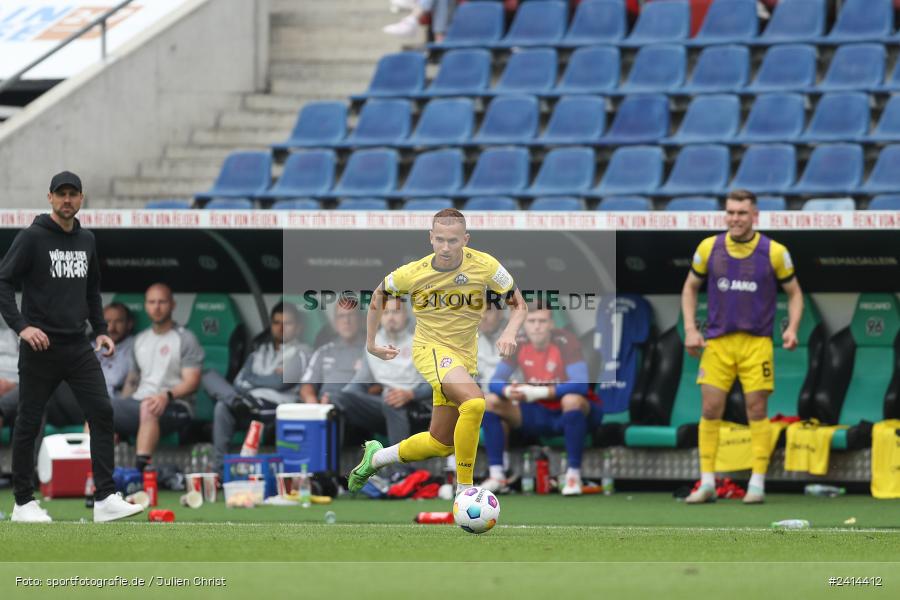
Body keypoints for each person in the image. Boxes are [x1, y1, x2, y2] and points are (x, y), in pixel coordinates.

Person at [347, 208, 527, 497]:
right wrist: (370, 343)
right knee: (476, 403)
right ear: (430, 238)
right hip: (430, 350)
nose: (446, 247)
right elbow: (379, 294)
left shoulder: (486, 265)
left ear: (465, 239)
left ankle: (376, 458)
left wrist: (509, 331)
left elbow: (519, 305)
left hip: (463, 358)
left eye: (453, 241)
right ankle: (465, 492)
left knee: (440, 442)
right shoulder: (413, 273)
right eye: (440, 239)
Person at [0, 171, 143, 522]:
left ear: (81, 198)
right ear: (49, 198)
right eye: (61, 194)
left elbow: (92, 289)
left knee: (102, 412)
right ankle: (23, 503)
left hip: (78, 346)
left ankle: (106, 498)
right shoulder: (32, 237)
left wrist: (101, 330)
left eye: (73, 194)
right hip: (40, 347)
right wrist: (22, 327)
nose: (67, 200)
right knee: (28, 421)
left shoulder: (88, 240)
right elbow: (3, 280)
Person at [681, 189, 803, 505]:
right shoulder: (709, 247)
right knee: (709, 409)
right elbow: (690, 288)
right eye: (731, 212)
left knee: (757, 410)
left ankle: (757, 483)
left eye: (742, 213)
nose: (735, 218)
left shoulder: (774, 252)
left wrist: (791, 328)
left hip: (756, 344)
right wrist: (691, 329)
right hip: (718, 344)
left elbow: (795, 293)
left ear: (755, 216)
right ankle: (707, 481)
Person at [480, 306, 599, 496]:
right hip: (535, 412)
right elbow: (495, 381)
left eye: (542, 321)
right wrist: (509, 390)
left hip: (568, 413)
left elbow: (581, 384)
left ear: (551, 324)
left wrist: (540, 392)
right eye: (531, 321)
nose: (537, 327)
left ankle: (573, 475)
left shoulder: (566, 341)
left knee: (572, 400)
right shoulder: (518, 342)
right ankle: (497, 476)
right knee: (489, 401)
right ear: (524, 325)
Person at [204, 302, 311, 472]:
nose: (281, 328)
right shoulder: (259, 351)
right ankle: (219, 471)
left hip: (272, 409)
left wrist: (253, 379)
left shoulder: (302, 352)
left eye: (287, 323)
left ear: (298, 327)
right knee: (210, 380)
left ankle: (236, 402)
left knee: (225, 403)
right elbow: (239, 382)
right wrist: (269, 377)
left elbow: (281, 383)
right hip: (246, 404)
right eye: (276, 322)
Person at [117, 283, 203, 473]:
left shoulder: (185, 338)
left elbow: (192, 381)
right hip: (141, 401)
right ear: (146, 305)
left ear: (173, 304)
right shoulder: (140, 339)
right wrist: (119, 410)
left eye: (162, 302)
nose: (156, 307)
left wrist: (166, 396)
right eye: (152, 302)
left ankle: (138, 474)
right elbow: (132, 382)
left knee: (149, 406)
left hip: (176, 406)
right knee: (99, 409)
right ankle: (89, 472)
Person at [336, 296, 432, 449]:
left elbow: (434, 385)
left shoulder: (420, 342)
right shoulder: (373, 345)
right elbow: (358, 383)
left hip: (417, 407)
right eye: (386, 313)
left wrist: (410, 395)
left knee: (391, 400)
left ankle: (400, 470)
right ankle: (330, 468)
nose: (391, 317)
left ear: (406, 314)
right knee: (340, 398)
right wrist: (335, 400)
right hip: (385, 405)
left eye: (396, 312)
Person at [300, 298, 366, 405]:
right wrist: (311, 399)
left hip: (358, 406)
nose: (346, 321)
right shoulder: (323, 352)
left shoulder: (373, 351)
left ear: (361, 320)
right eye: (341, 316)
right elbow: (307, 385)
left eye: (351, 315)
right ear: (335, 323)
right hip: (325, 407)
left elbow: (381, 387)